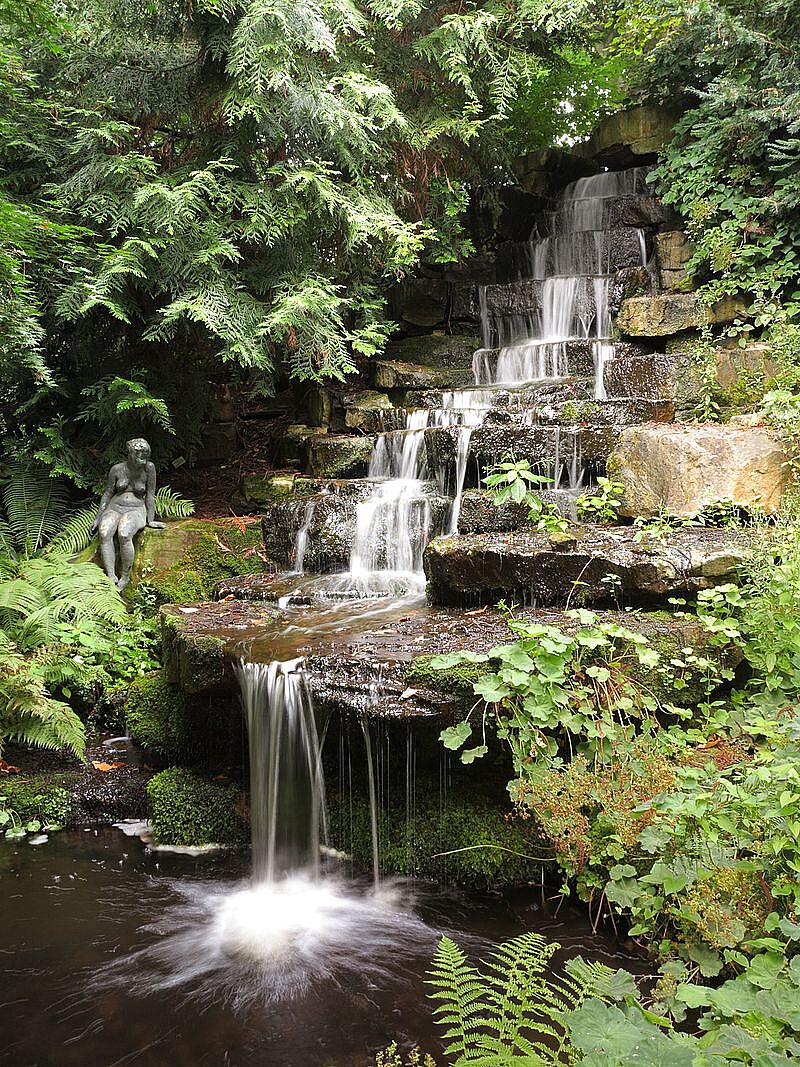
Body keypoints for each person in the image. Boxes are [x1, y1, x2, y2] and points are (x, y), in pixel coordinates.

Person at [91, 438, 165, 591]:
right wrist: (99, 517)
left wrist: (150, 519)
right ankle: (111, 574)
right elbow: (108, 493)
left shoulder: (149, 469)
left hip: (136, 509)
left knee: (124, 533)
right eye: (138, 452)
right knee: (104, 532)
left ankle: (125, 576)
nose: (142, 456)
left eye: (145, 453)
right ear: (130, 453)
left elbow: (150, 495)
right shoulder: (117, 469)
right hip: (115, 507)